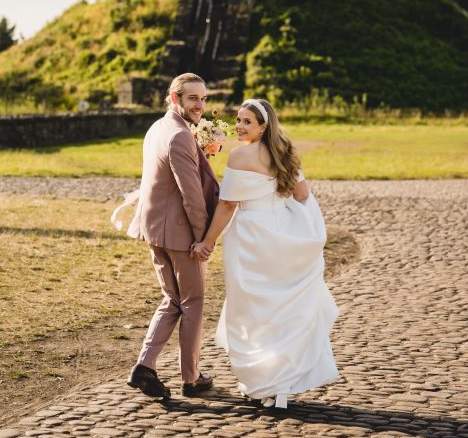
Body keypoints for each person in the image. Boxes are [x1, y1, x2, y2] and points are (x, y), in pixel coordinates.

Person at [192, 98, 339, 408]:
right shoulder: (284, 153)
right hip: (280, 236)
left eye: (247, 121)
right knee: (279, 307)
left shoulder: (239, 155)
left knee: (252, 310)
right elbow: (301, 195)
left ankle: (264, 383)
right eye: (239, 119)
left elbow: (228, 205)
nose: (239, 126)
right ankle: (280, 386)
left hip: (249, 238)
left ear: (263, 126)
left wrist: (207, 241)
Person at [126, 73, 219, 399]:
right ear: (175, 98)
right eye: (193, 98)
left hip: (155, 231)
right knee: (192, 303)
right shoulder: (179, 136)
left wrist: (204, 153)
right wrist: (203, 240)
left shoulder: (157, 128)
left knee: (173, 300)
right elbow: (191, 196)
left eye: (204, 98)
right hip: (180, 235)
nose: (200, 105)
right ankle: (191, 379)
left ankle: (145, 366)